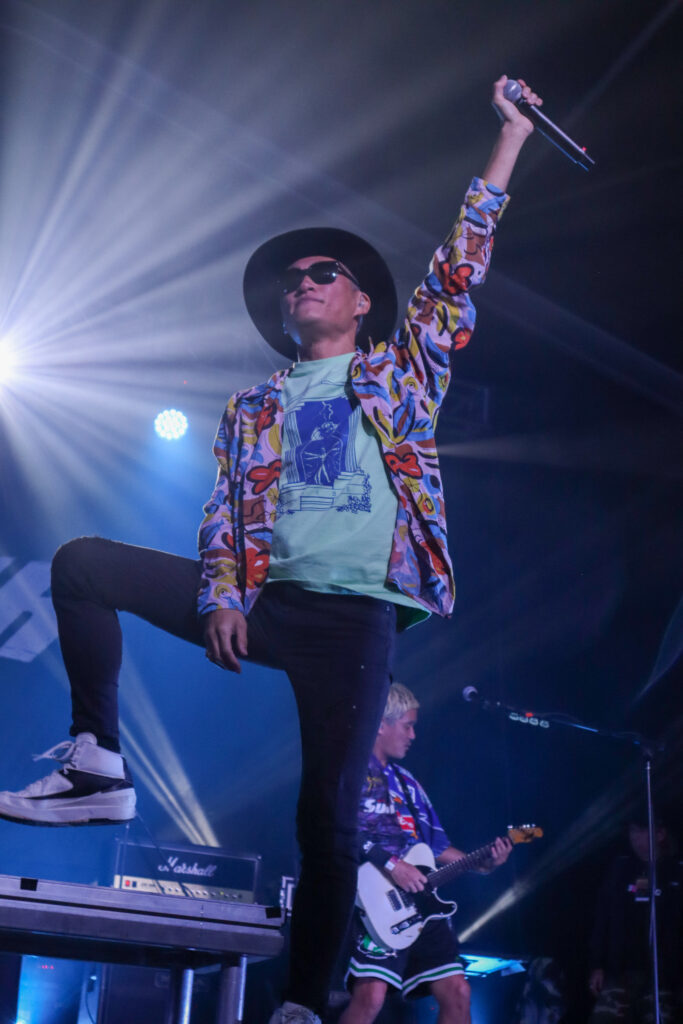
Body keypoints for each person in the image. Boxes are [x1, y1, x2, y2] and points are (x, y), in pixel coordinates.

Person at [0, 76, 542, 1024]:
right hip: (269, 603)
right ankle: (98, 766)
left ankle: (303, 1003)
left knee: (326, 822)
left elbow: (458, 267)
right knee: (81, 564)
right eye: (294, 279)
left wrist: (508, 141)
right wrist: (220, 595)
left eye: (321, 271)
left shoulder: (400, 372)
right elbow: (221, 515)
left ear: (365, 301)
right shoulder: (253, 405)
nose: (302, 283)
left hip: (354, 622)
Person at [339, 683, 511, 1024]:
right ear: (381, 724)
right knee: (370, 997)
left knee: (459, 993)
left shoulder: (408, 783)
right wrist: (392, 864)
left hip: (423, 906)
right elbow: (338, 828)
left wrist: (482, 862)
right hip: (371, 902)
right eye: (408, 726)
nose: (414, 735)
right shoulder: (350, 771)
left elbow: (436, 847)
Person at [587, 814, 682, 1024]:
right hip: (622, 971)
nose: (635, 838)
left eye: (641, 831)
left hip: (664, 977)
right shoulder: (620, 868)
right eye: (632, 832)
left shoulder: (676, 871)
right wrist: (597, 964)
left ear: (660, 834)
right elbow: (603, 918)